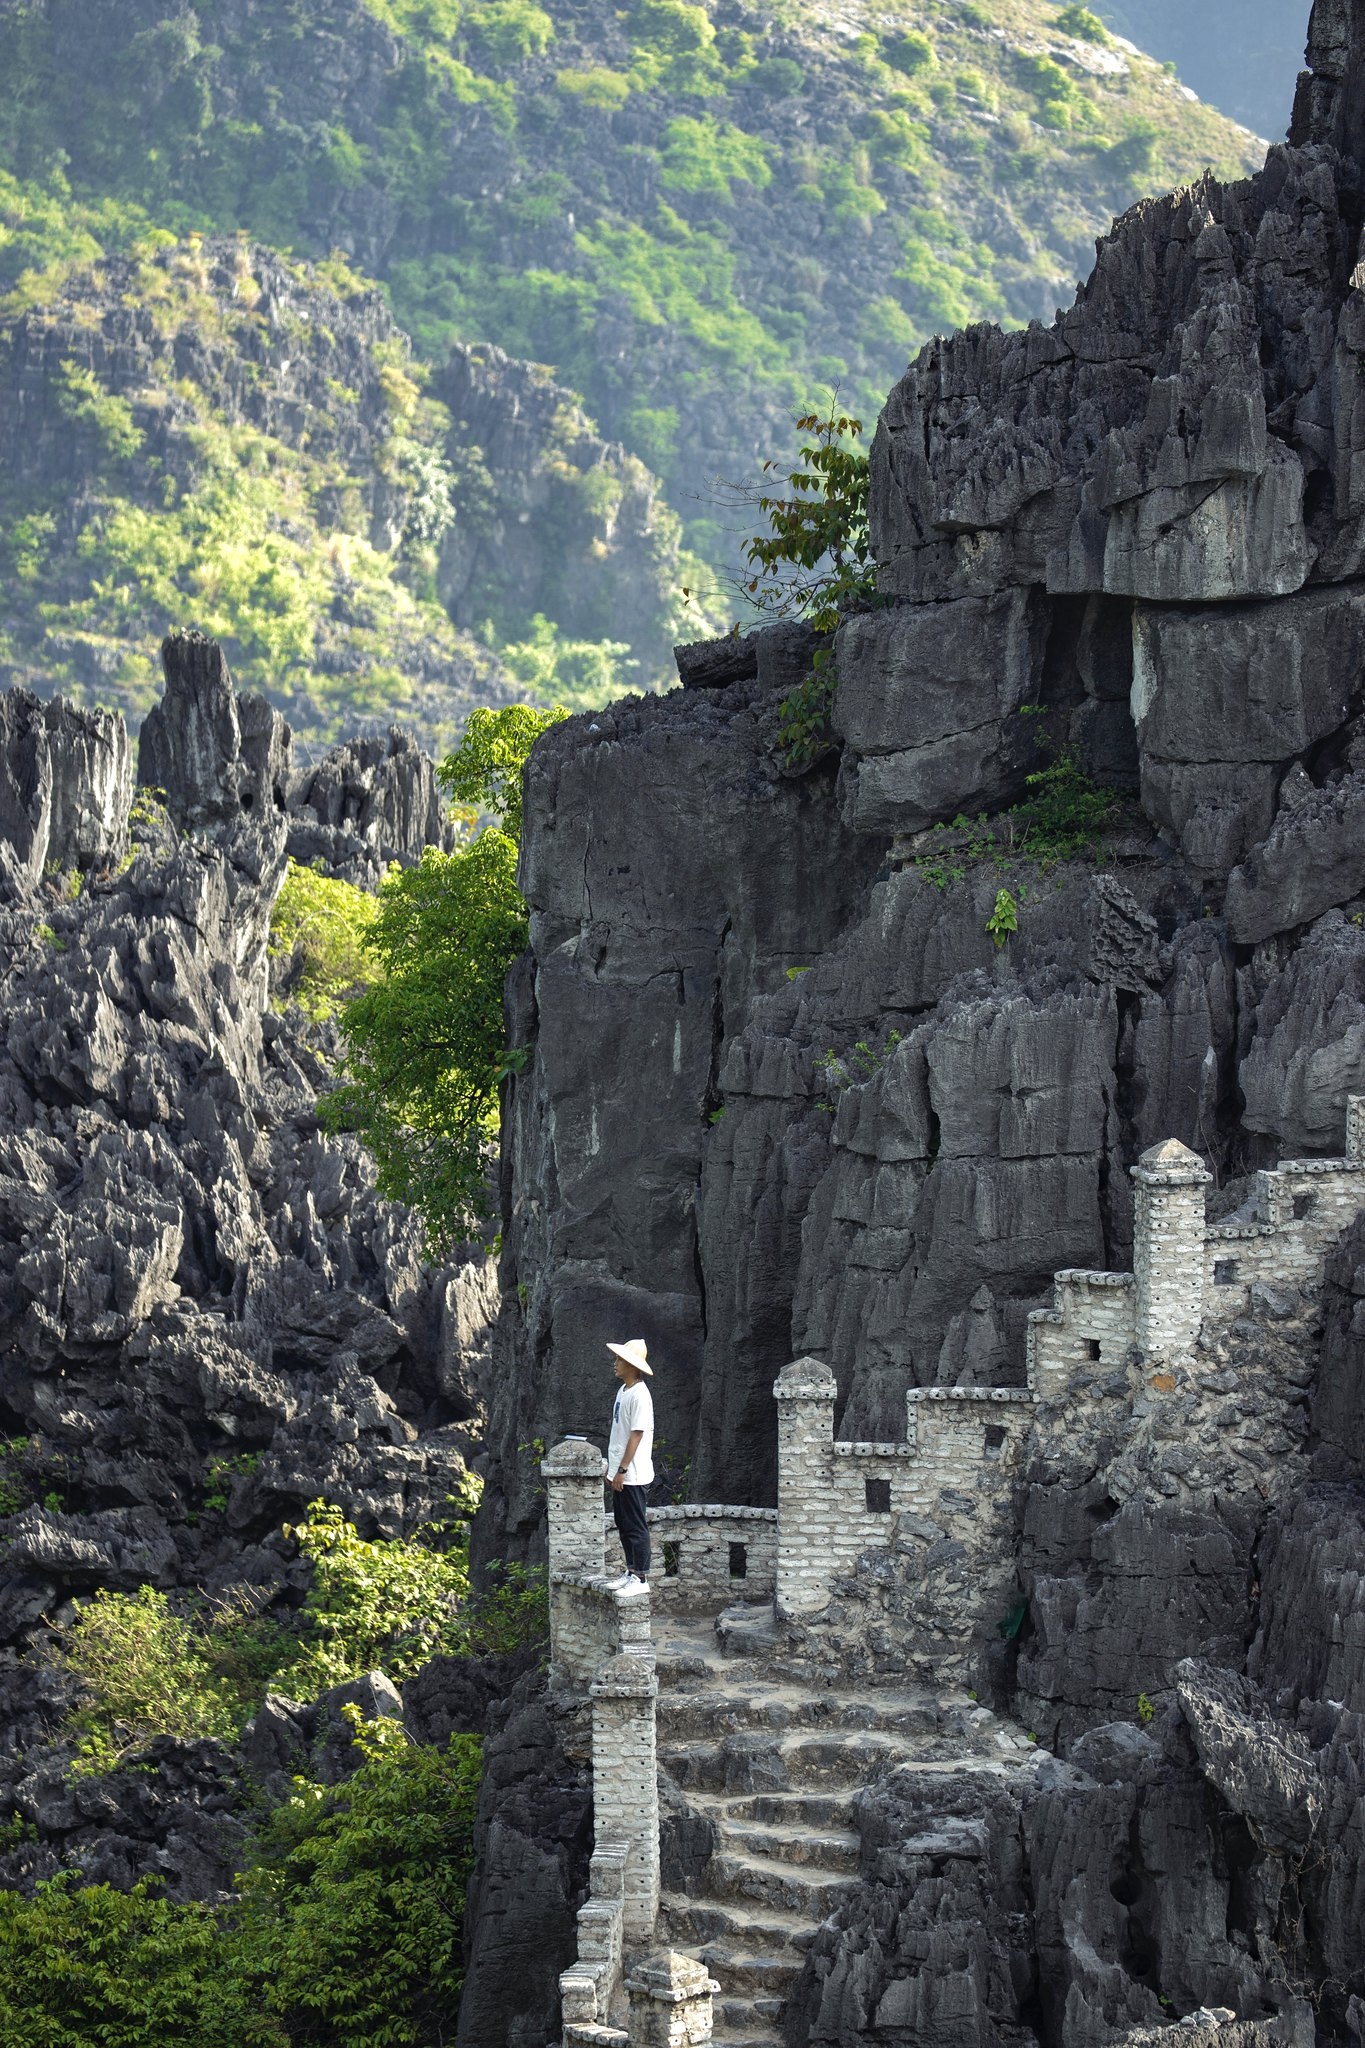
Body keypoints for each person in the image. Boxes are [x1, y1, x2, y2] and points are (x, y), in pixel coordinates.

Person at [605, 1337, 654, 1587]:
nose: (615, 1364)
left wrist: (622, 1470)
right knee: (623, 1523)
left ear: (632, 1366)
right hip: (620, 1472)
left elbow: (636, 1434)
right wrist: (614, 1470)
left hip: (633, 1474)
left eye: (619, 1360)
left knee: (636, 1525)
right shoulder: (623, 1391)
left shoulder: (640, 1395)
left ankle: (641, 1576)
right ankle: (631, 1570)